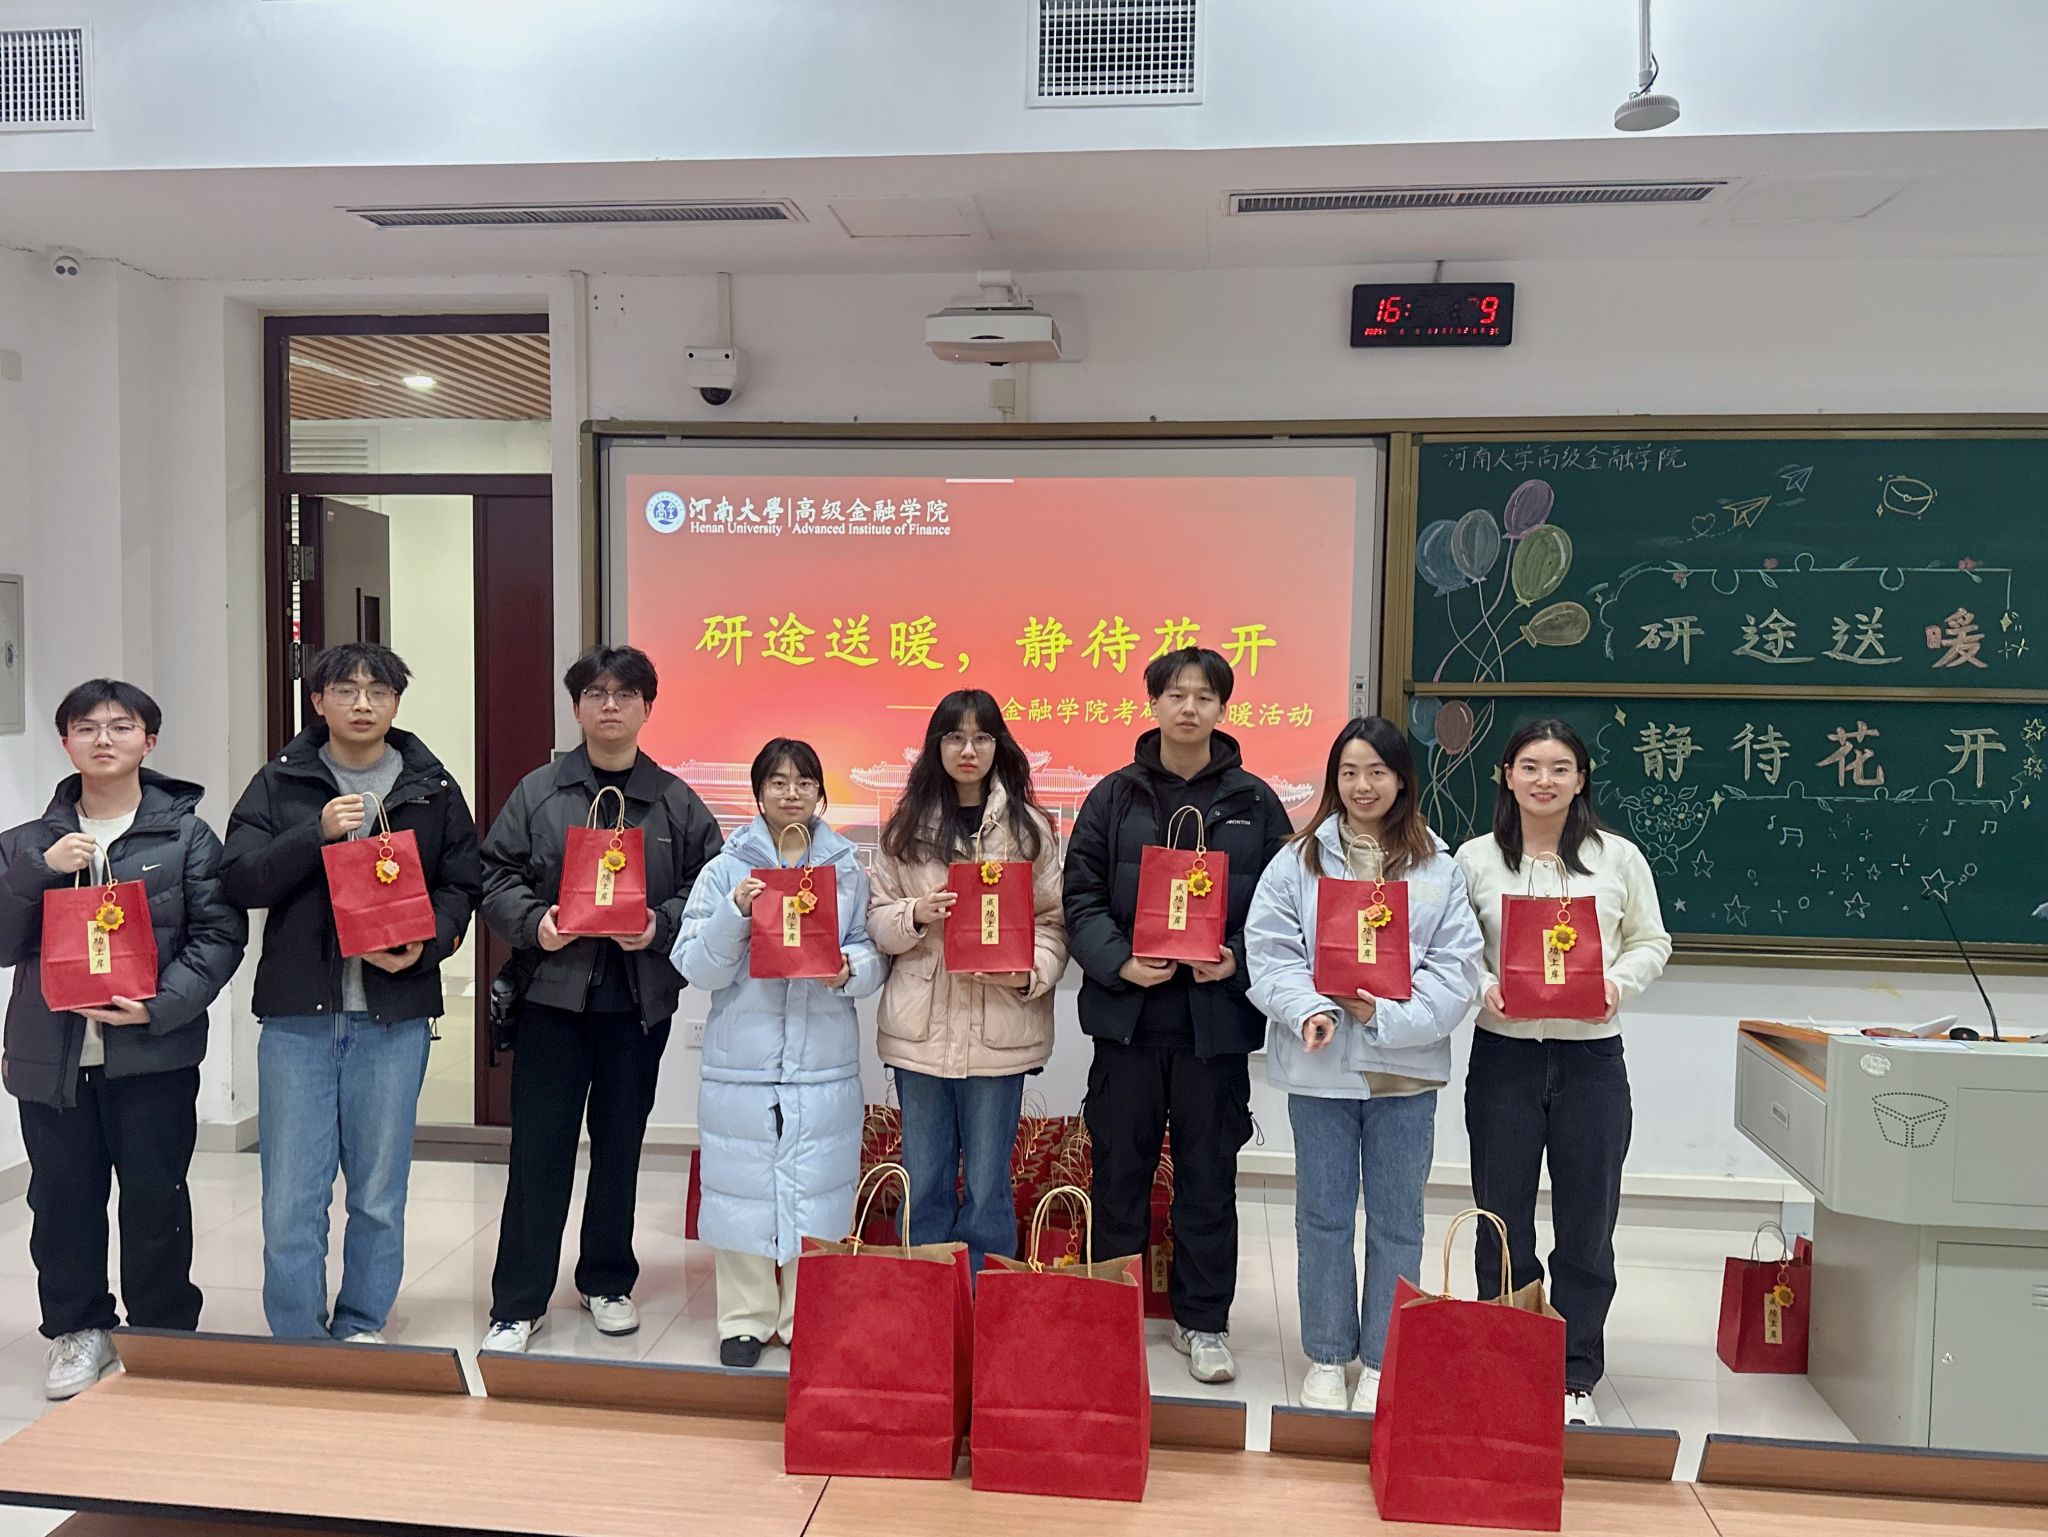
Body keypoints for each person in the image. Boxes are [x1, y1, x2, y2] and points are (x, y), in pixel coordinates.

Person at [222, 642, 481, 1344]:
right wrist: (314, 833)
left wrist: (428, 944)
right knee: (290, 1196)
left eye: (378, 691)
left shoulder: (431, 785)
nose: (362, 703)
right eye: (345, 690)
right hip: (297, 1020)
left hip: (393, 1019)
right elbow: (239, 878)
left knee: (377, 1193)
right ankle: (298, 1338)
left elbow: (464, 883)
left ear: (396, 703)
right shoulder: (280, 782)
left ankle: (363, 1323)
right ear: (318, 702)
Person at [0, 681, 247, 1399]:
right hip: (52, 1060)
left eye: (121, 726)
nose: (103, 739)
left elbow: (220, 935)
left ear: (149, 741)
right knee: (61, 1202)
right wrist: (41, 871)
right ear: (65, 741)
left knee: (155, 1198)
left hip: (153, 1053)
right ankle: (78, 1329)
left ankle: (163, 1331)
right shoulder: (26, 844)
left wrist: (158, 1007)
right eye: (86, 727)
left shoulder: (187, 837)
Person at [478, 645, 722, 1353]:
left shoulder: (675, 799)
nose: (610, 705)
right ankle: (519, 1299)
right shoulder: (539, 792)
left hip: (636, 1004)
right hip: (552, 999)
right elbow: (493, 875)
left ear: (648, 707)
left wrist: (659, 926)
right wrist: (536, 922)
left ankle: (607, 1279)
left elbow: (710, 885)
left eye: (625, 694)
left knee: (620, 1147)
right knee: (540, 1150)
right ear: (577, 707)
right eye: (595, 693)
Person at [1063, 647, 1292, 1384]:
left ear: (1223, 708)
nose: (1189, 707)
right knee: (1117, 1175)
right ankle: (1108, 1316)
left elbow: (1283, 909)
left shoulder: (1256, 802)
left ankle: (1204, 1322)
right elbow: (1079, 897)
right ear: (1153, 703)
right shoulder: (1113, 797)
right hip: (1129, 1022)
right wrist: (1119, 961)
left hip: (1212, 1027)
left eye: (1203, 696)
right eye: (1175, 694)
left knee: (1207, 1179)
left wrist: (1235, 959)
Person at [1245, 716, 1481, 1412]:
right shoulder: (1297, 861)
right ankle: (1326, 1353)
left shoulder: (1439, 868)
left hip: (1404, 1072)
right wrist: (1309, 1009)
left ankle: (1382, 1358)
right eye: (1349, 772)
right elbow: (1270, 951)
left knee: (1398, 1220)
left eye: (1377, 771)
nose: (1362, 785)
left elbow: (1457, 969)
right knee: (1321, 1215)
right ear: (1334, 780)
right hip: (1319, 1068)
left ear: (1402, 779)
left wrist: (1386, 1017)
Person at [1455, 718, 1672, 1426]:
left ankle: (1574, 1374)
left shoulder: (1618, 858)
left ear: (1581, 779)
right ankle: (1507, 1361)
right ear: (1506, 776)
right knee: (1502, 1220)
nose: (1543, 780)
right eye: (1529, 766)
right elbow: (1452, 946)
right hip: (1504, 1057)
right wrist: (1482, 985)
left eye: (1559, 768)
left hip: (1591, 1059)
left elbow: (1652, 940)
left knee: (1587, 1224)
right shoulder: (1475, 859)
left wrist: (1617, 983)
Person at [673, 739, 884, 1368]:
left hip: (822, 1059)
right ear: (758, 793)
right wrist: (734, 915)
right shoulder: (725, 869)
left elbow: (872, 954)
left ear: (820, 793)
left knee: (815, 1187)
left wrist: (848, 969)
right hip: (744, 1061)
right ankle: (744, 1318)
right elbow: (695, 965)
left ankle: (804, 1315)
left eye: (804, 782)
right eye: (778, 782)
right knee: (743, 1188)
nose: (791, 793)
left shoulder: (847, 868)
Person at [867, 689, 1067, 1272]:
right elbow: (876, 921)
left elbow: (1055, 923)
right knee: (924, 1177)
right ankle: (928, 1297)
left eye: (982, 737)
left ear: (1000, 746)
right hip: (921, 1033)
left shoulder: (1029, 830)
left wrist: (1027, 972)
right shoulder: (905, 827)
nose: (968, 750)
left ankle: (983, 1300)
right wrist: (915, 914)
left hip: (999, 1032)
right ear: (936, 746)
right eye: (955, 737)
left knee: (987, 1185)